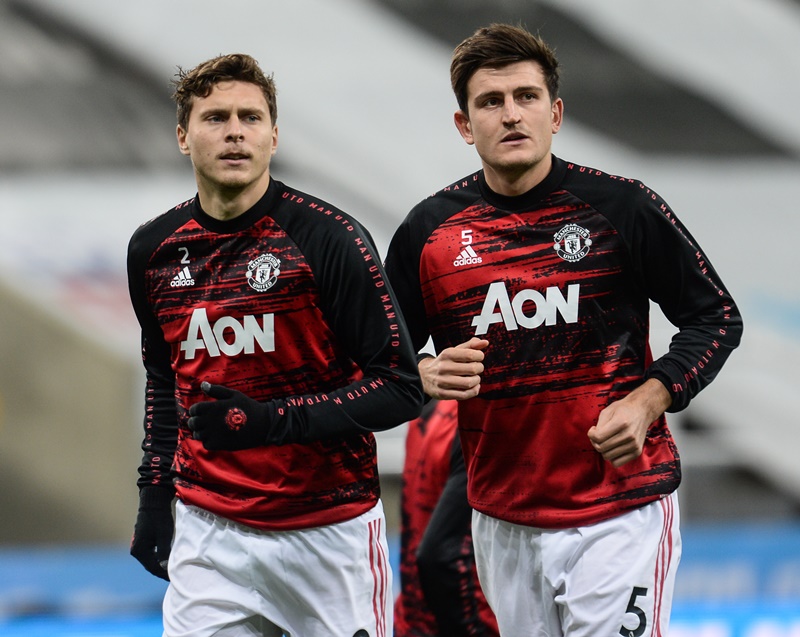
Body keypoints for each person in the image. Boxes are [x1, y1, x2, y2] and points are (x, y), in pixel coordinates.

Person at [383, 23, 743, 637]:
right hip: (502, 518)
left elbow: (715, 317)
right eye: (490, 102)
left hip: (619, 507)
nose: (511, 114)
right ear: (465, 125)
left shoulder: (622, 208)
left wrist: (648, 399)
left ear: (554, 114)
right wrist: (421, 373)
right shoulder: (429, 232)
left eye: (526, 97)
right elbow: (374, 359)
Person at [126, 53, 423, 637]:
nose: (235, 131)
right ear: (183, 137)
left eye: (251, 117)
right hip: (210, 535)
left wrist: (272, 421)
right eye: (216, 118)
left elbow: (400, 387)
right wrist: (154, 495)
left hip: (328, 531)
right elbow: (165, 380)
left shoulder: (330, 238)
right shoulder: (153, 250)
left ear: (274, 136)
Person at [393, 399, 498, 637]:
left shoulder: (431, 406)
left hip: (412, 619)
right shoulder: (481, 422)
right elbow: (439, 555)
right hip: (466, 620)